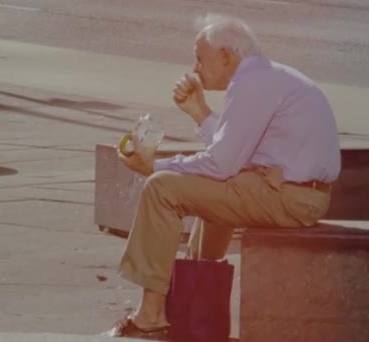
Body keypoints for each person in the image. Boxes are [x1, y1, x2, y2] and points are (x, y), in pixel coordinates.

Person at [108, 13, 341, 339]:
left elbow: (221, 164)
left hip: (287, 196)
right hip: (295, 192)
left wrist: (155, 167)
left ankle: (150, 316)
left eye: (199, 59)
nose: (194, 69)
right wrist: (199, 112)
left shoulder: (250, 82)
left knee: (161, 189)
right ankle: (193, 310)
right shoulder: (266, 77)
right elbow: (234, 149)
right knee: (211, 198)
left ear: (226, 56)